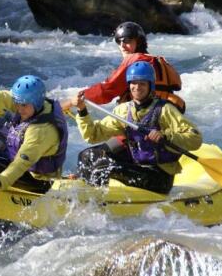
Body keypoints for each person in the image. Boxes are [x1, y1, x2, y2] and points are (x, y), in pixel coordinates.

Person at [69, 62, 202, 193]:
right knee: (87, 155)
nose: (137, 87)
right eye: (133, 83)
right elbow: (93, 135)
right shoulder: (124, 110)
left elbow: (195, 138)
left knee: (104, 168)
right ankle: (88, 192)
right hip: (136, 166)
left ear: (151, 86)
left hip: (159, 176)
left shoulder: (165, 109)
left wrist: (165, 135)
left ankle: (98, 202)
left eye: (142, 83)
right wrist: (82, 111)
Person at [0, 74, 68, 194]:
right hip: (21, 169)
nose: (19, 108)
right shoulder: (29, 105)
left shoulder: (41, 131)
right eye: (17, 103)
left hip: (39, 182)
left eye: (23, 105)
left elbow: (21, 164)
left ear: (36, 102)